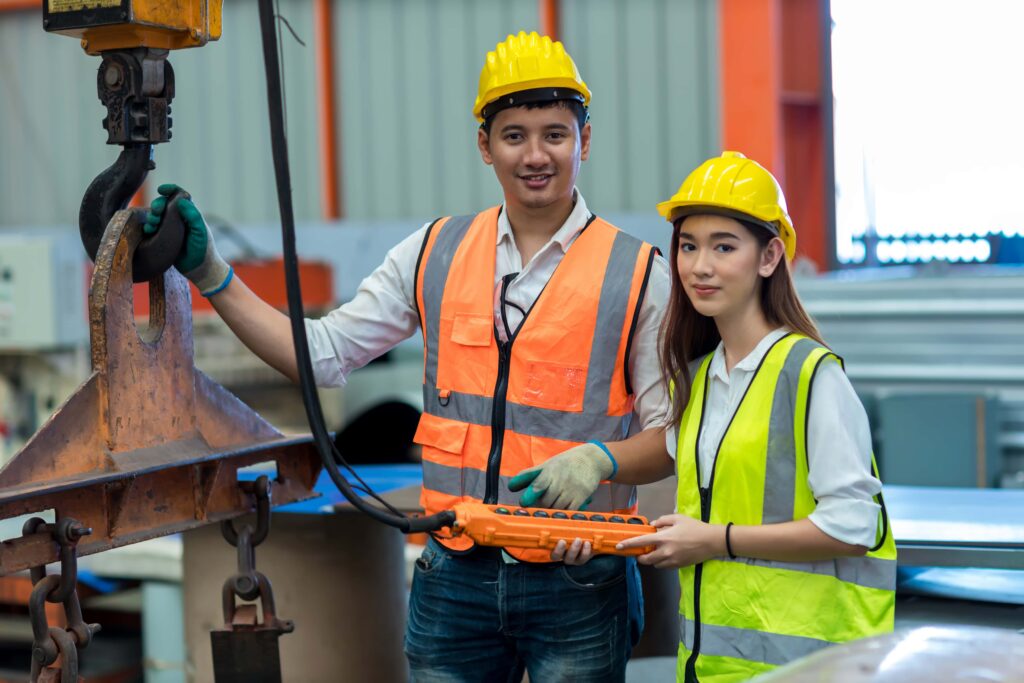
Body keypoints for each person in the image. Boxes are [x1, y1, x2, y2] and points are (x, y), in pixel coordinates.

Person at [145, 31, 670, 682]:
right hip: (454, 580)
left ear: (584, 141)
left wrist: (603, 458)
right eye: (514, 135)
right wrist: (212, 272)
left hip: (579, 579)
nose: (536, 155)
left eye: (554, 134)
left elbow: (673, 436)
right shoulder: (435, 252)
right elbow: (324, 355)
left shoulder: (639, 274)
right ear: (485, 145)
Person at [524, 151, 897, 683]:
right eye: (688, 246)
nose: (700, 266)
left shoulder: (811, 375)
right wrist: (599, 504)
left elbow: (852, 527)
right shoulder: (700, 379)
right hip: (711, 665)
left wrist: (714, 540)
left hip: (809, 668)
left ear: (769, 257)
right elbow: (679, 476)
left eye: (724, 247)